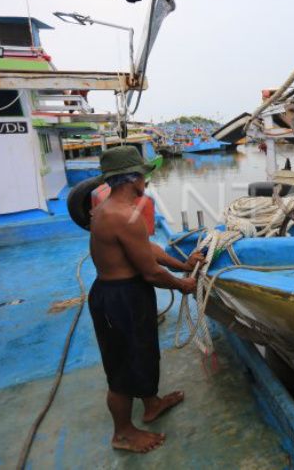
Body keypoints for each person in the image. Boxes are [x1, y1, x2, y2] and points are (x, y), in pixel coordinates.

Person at [88, 146, 202, 453]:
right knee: (122, 366)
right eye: (143, 174)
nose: (146, 180)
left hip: (127, 294)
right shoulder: (122, 215)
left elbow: (147, 250)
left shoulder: (115, 210)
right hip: (119, 299)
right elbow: (151, 272)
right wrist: (183, 285)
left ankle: (151, 404)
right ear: (131, 179)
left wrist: (182, 265)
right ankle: (122, 433)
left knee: (143, 353)